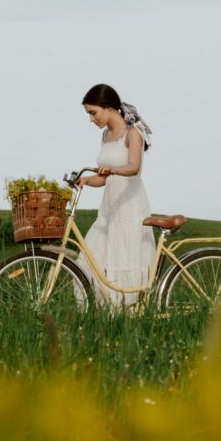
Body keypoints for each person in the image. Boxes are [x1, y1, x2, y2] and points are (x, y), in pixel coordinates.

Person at [75, 84, 155, 308]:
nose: (91, 119)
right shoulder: (106, 134)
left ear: (108, 107)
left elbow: (133, 167)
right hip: (109, 208)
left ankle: (128, 310)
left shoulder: (133, 133)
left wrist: (112, 171)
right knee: (93, 256)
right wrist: (86, 180)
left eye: (93, 113)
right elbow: (103, 178)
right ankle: (106, 311)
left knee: (124, 257)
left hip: (130, 206)